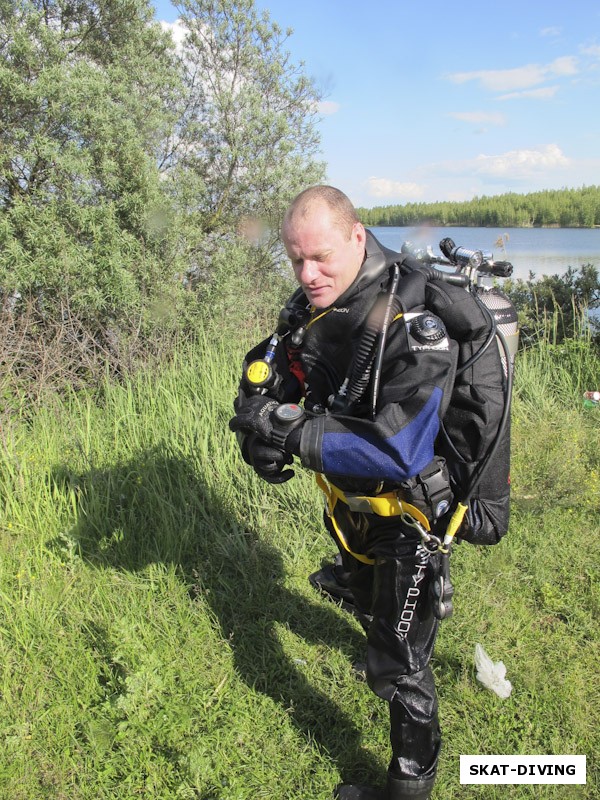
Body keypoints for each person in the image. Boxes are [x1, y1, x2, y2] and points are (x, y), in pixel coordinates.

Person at [229, 185, 459, 800]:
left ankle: (410, 786)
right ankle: (377, 609)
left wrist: (295, 434)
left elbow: (400, 445)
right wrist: (257, 426)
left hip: (410, 515)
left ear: (358, 238)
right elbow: (267, 368)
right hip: (350, 507)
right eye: (295, 259)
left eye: (321, 258)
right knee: (359, 590)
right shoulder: (314, 303)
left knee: (399, 663)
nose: (307, 274)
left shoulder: (415, 318)